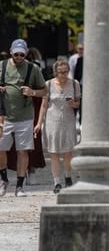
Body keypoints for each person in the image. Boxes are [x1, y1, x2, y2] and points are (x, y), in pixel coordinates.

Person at [0, 39, 48, 197]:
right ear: (11, 52)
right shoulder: (2, 66)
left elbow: (44, 91)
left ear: (26, 53)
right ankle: (4, 179)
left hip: (25, 117)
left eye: (22, 54)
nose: (19, 57)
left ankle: (19, 186)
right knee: (1, 149)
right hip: (4, 116)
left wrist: (32, 92)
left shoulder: (33, 68)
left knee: (22, 151)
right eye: (16, 54)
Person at [36, 58, 80, 193]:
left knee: (68, 152)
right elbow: (44, 106)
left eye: (66, 72)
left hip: (68, 121)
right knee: (54, 153)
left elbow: (78, 103)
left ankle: (68, 177)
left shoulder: (74, 84)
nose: (64, 75)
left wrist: (73, 104)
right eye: (61, 72)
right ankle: (57, 183)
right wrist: (39, 124)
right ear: (55, 72)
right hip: (52, 122)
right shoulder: (48, 84)